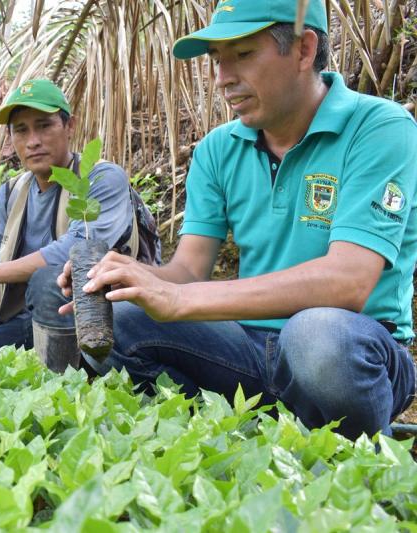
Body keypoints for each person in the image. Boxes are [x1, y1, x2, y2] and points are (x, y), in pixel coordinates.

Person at [58, 0, 416, 439]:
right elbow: (187, 271)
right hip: (246, 350)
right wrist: (128, 280)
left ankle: (355, 446)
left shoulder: (379, 128)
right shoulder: (216, 149)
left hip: (351, 350)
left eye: (243, 55)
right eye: (216, 60)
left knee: (316, 337)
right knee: (124, 316)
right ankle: (245, 436)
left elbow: (349, 281)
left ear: (304, 50)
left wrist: (178, 300)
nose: (223, 78)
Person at [0, 79, 136, 370]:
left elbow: (75, 250)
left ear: (69, 126)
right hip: (27, 322)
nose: (33, 141)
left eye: (44, 126)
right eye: (20, 130)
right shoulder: (11, 193)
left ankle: (71, 378)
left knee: (47, 281)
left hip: (100, 324)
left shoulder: (102, 178)